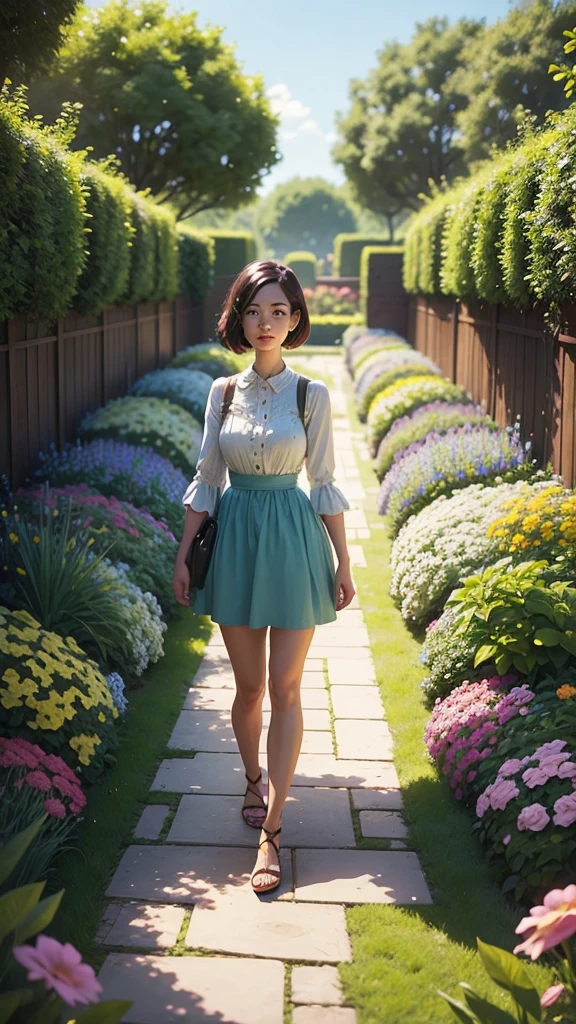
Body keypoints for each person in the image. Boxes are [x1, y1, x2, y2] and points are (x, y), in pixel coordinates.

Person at [172, 259, 355, 894]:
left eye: (279, 311)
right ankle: (252, 776)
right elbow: (207, 478)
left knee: (286, 686)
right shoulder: (221, 393)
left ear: (297, 318)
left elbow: (325, 481)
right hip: (237, 542)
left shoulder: (313, 395)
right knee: (248, 689)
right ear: (238, 318)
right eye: (255, 310)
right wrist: (184, 553)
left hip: (294, 540)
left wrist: (344, 559)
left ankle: (271, 830)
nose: (267, 322)